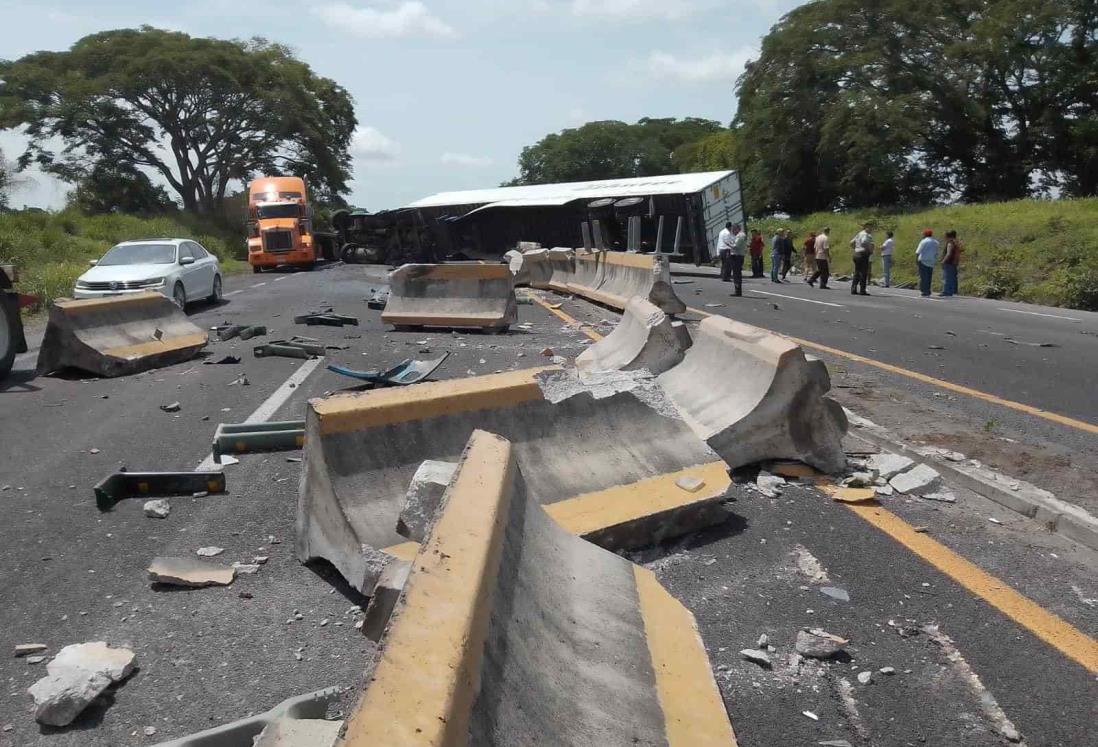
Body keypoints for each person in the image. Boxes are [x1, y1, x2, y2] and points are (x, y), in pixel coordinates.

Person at [849, 223, 873, 295]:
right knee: (863, 273)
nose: (871, 229)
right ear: (866, 228)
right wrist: (869, 250)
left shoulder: (859, 233)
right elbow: (864, 242)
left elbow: (851, 242)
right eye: (870, 228)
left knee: (857, 272)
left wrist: (856, 248)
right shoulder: (866, 234)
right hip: (863, 254)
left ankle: (853, 289)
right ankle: (862, 290)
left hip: (856, 254)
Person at [915, 228, 939, 297]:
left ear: (925, 234)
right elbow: (936, 253)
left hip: (923, 260)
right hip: (931, 261)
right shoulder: (936, 242)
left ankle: (924, 291)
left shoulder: (923, 241)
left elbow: (918, 252)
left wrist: (916, 260)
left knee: (923, 277)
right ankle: (928, 291)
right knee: (929, 277)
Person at [941, 230, 961, 296]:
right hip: (953, 262)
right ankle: (952, 291)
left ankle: (946, 291)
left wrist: (943, 261)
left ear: (948, 236)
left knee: (946, 277)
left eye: (945, 236)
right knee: (952, 277)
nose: (944, 238)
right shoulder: (956, 243)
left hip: (948, 262)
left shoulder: (950, 243)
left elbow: (948, 254)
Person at [730, 223, 747, 295]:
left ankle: (738, 291)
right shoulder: (740, 235)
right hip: (738, 256)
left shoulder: (740, 235)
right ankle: (737, 290)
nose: (732, 231)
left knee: (736, 274)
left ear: (736, 229)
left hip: (737, 256)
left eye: (733, 229)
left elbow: (736, 246)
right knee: (736, 273)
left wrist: (728, 244)